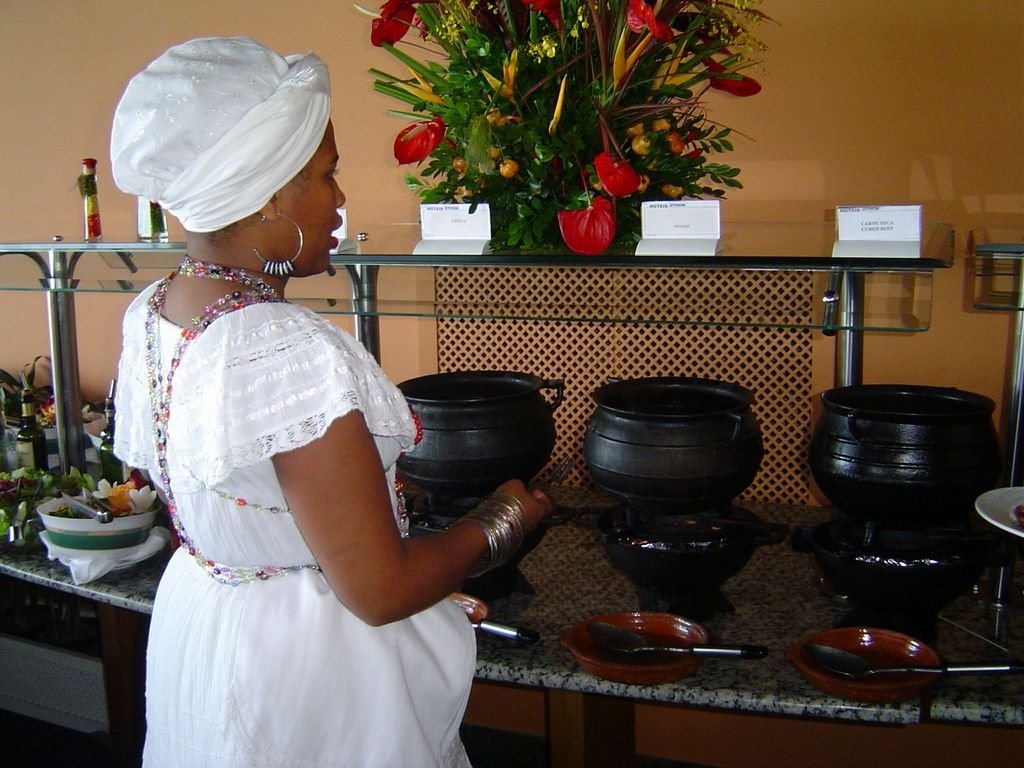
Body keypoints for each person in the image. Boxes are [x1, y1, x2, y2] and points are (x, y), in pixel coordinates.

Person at [109, 36, 553, 768]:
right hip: (302, 666)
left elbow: (249, 495)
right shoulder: (284, 347)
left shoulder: (156, 309)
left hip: (210, 621)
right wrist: (502, 519)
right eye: (325, 175)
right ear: (265, 195)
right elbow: (380, 590)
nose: (339, 199)